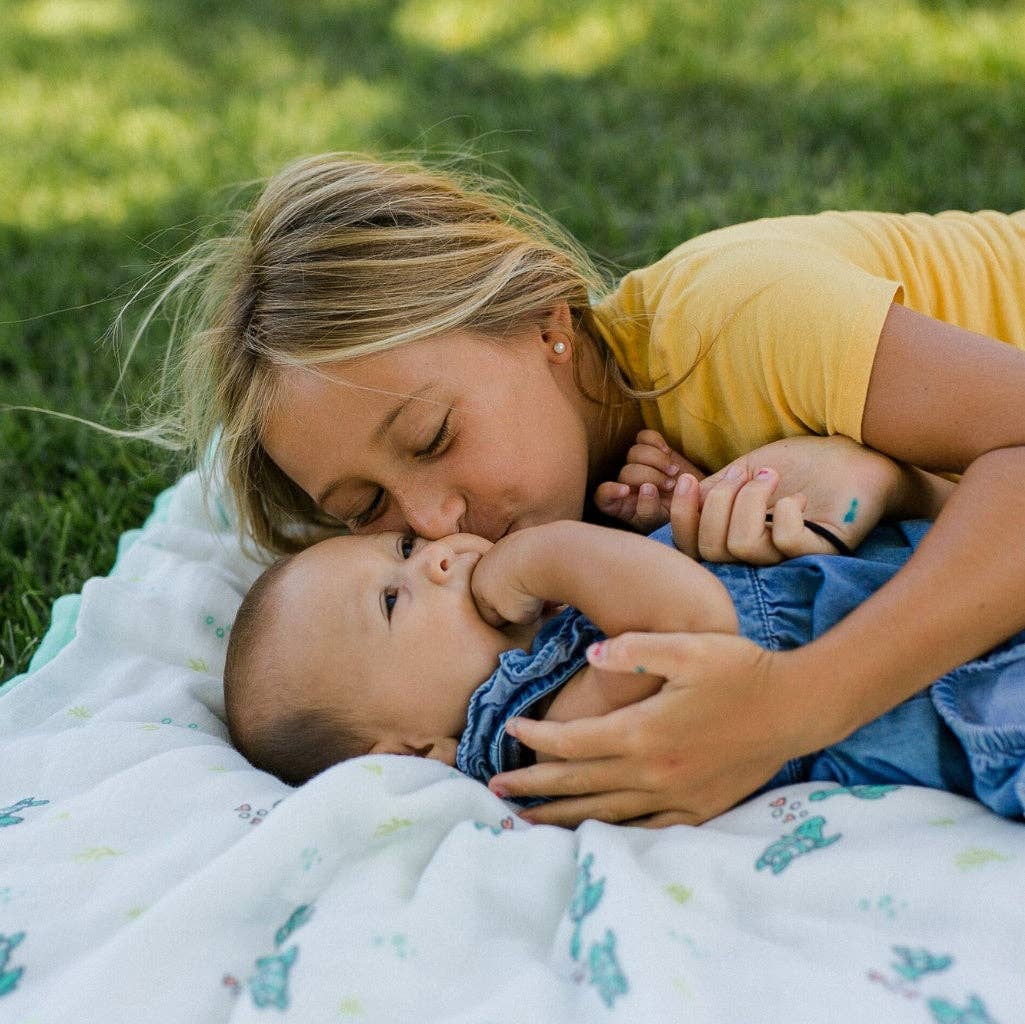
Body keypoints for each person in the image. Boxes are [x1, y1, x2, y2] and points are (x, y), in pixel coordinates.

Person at [158, 152, 1025, 825]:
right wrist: (903, 488)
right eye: (366, 511)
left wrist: (792, 705)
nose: (433, 523)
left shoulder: (735, 319)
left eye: (432, 437)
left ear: (545, 320)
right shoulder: (594, 522)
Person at [222, 515, 1025, 820]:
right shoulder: (536, 740)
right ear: (408, 754)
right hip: (975, 697)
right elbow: (688, 626)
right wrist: (545, 554)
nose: (432, 556)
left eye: (402, 546)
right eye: (393, 600)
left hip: (954, 592)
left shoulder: (547, 636)